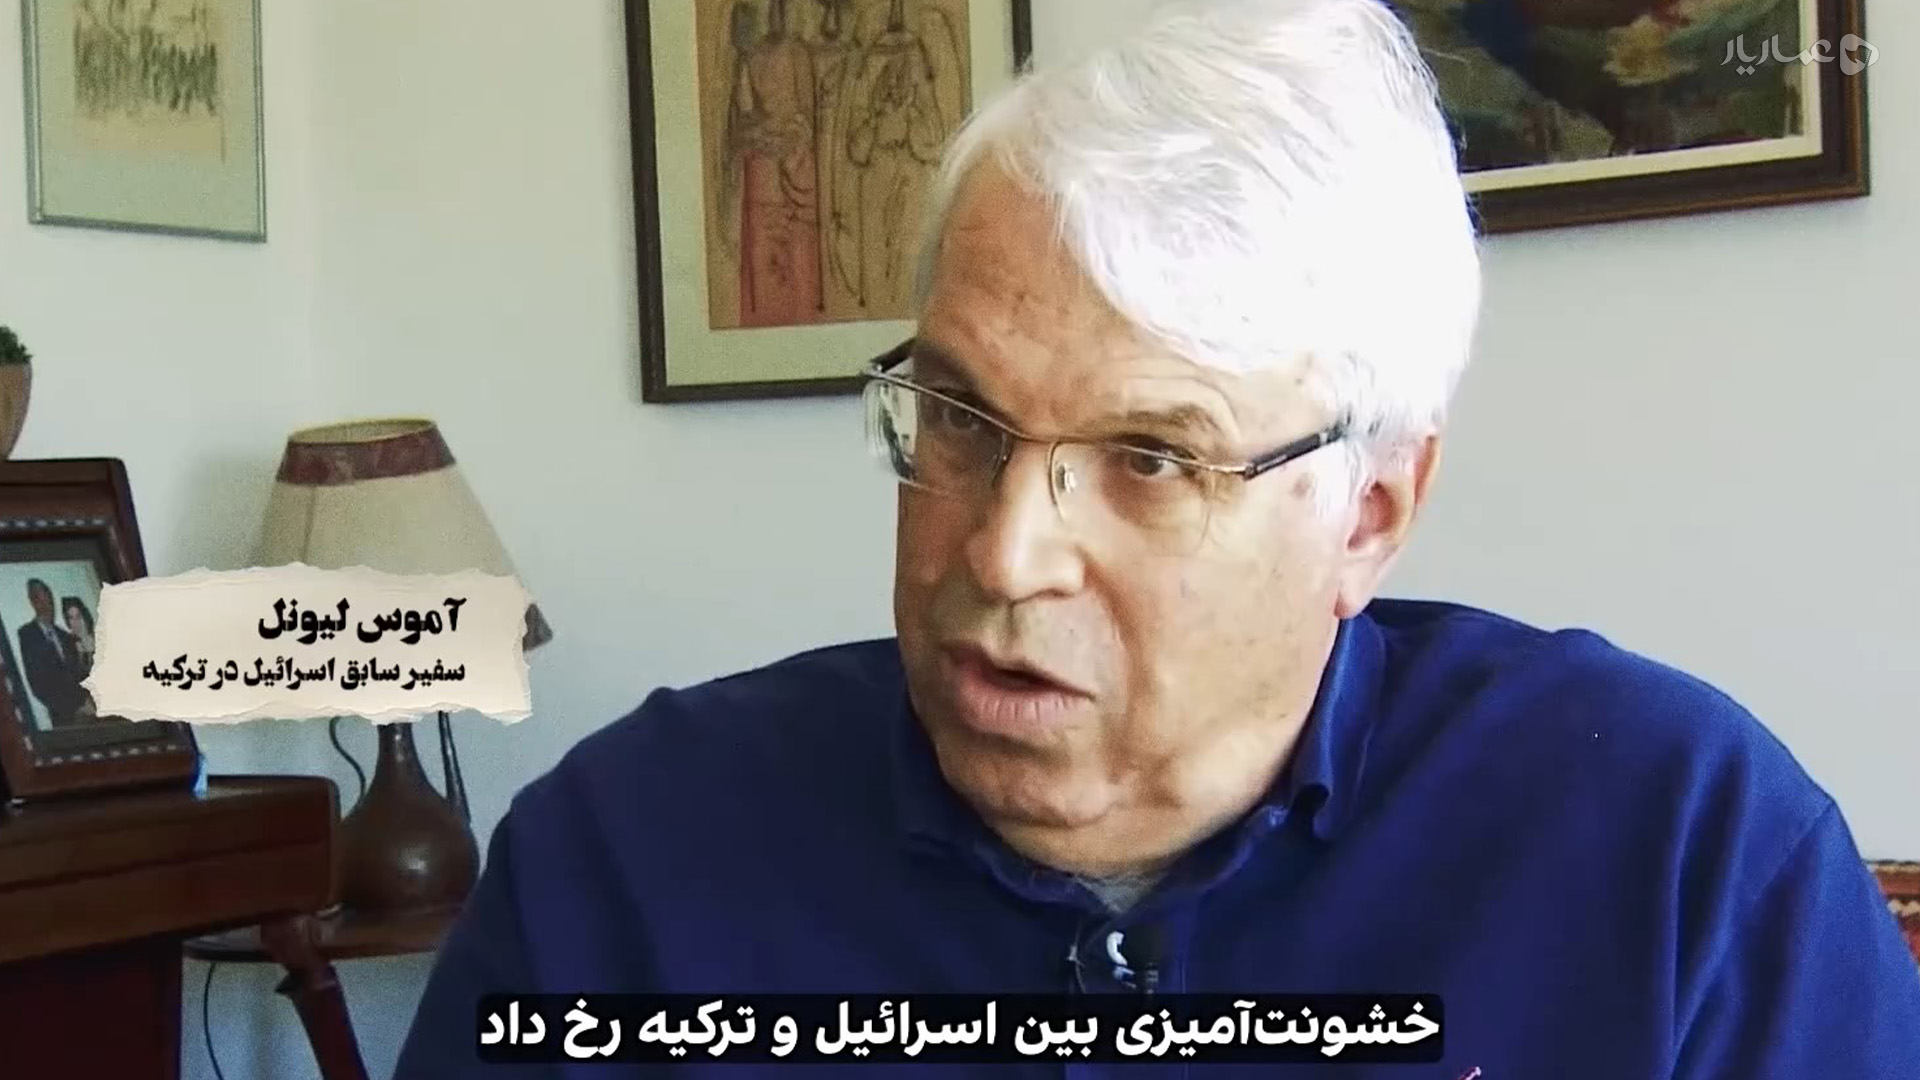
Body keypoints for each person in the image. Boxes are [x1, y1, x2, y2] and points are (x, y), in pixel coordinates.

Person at [395, 0, 1920, 1075]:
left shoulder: (1685, 857)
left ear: (1369, 514)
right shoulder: (622, 866)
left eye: (1149, 458)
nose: (1005, 556)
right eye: (962, 418)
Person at [17, 578, 87, 727]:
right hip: (63, 718)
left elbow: (77, 673)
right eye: (40, 600)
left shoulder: (65, 637)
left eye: (49, 599)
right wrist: (70, 709)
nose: (47, 605)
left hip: (86, 713)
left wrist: (84, 703)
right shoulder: (28, 635)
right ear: (33, 602)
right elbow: (37, 683)